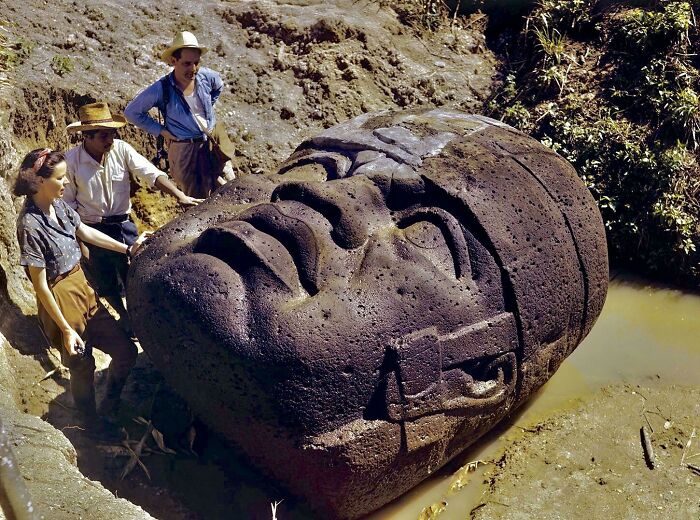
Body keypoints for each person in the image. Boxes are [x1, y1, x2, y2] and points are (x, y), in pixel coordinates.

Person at [15, 148, 148, 422]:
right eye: (61, 177)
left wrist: (127, 250)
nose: (66, 183)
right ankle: (89, 423)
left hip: (84, 286)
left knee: (126, 351)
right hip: (61, 298)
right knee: (82, 366)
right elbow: (40, 286)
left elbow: (84, 232)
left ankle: (110, 403)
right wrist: (65, 328)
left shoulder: (58, 205)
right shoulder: (30, 225)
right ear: (40, 181)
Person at [64, 101, 201, 324]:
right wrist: (80, 242)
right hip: (91, 228)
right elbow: (68, 207)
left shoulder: (122, 149)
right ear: (86, 136)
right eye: (103, 136)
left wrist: (179, 195)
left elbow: (151, 173)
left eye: (112, 134)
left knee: (135, 271)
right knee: (103, 278)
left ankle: (140, 317)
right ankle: (124, 316)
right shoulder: (71, 162)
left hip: (122, 225)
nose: (110, 140)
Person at [125, 31, 232, 198]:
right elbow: (132, 112)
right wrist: (161, 131)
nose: (193, 69)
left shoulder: (206, 77)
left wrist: (207, 112)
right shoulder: (162, 88)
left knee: (230, 189)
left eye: (196, 63)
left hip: (212, 142)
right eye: (187, 63)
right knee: (197, 200)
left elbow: (218, 86)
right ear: (174, 61)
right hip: (185, 149)